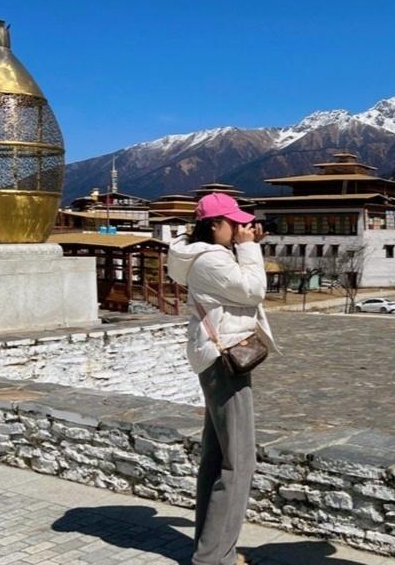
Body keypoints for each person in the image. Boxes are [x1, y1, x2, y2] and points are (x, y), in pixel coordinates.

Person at [168, 192, 277, 565]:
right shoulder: (210, 260)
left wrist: (245, 248)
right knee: (239, 461)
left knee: (217, 457)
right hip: (224, 360)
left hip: (215, 358)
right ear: (214, 225)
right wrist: (249, 251)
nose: (240, 229)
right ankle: (216, 558)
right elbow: (253, 290)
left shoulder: (202, 255)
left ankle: (209, 548)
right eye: (234, 223)